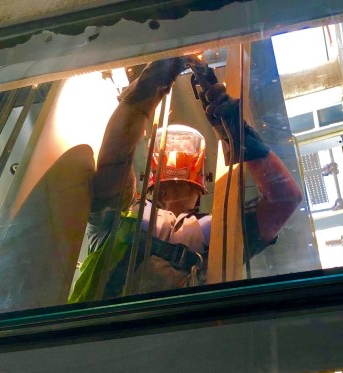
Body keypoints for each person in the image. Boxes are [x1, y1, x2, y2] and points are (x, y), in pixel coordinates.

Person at [69, 56, 302, 303]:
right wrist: (153, 81)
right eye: (169, 156)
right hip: (100, 334)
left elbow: (285, 199)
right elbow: (115, 159)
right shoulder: (124, 212)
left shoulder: (220, 230)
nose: (176, 159)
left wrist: (238, 131)